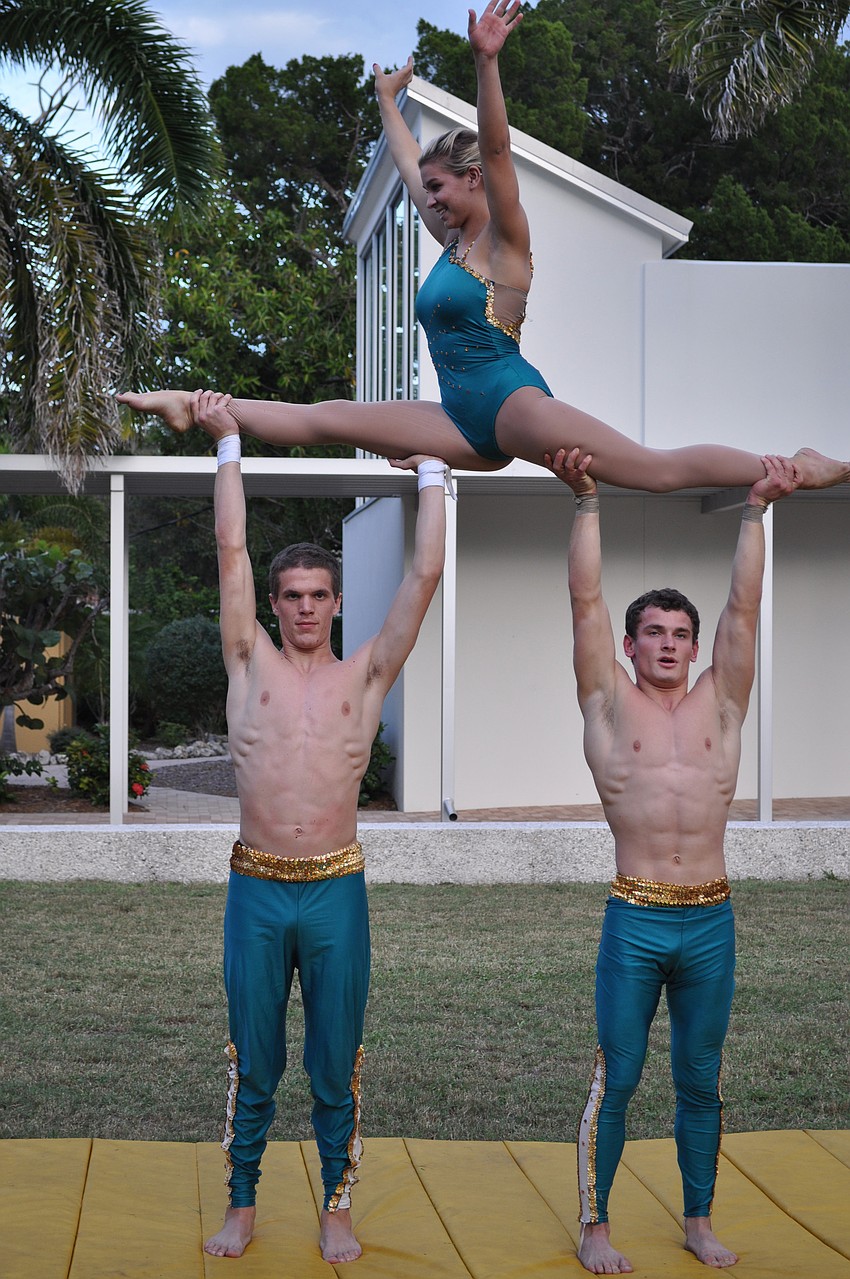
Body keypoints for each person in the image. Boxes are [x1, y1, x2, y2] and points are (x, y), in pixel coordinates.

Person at [117, 1, 849, 494]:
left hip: (508, 401)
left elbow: (497, 150)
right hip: (458, 418)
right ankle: (195, 404)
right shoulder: (449, 238)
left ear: (472, 181)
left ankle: (795, 465)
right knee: (324, 416)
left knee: (652, 471)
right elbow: (410, 167)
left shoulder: (506, 240)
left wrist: (486, 63)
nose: (429, 199)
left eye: (441, 188)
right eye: (428, 192)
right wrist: (387, 102)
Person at [195, 390, 448, 1264]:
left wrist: (430, 469)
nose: (305, 608)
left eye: (318, 595)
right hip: (258, 888)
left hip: (336, 887)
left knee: (337, 1062)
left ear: (337, 603)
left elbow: (423, 577)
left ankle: (338, 1204)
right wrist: (229, 444)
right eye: (292, 595)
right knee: (253, 1058)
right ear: (273, 604)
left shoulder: (366, 678)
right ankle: (243, 1203)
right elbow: (230, 548)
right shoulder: (247, 662)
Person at [549, 444, 798, 1273]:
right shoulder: (607, 702)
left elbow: (745, 608)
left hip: (711, 919)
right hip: (635, 917)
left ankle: (698, 1218)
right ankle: (595, 1224)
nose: (668, 643)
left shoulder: (721, 705)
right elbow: (584, 599)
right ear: (629, 644)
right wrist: (587, 501)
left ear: (695, 648)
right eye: (652, 632)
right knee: (616, 1078)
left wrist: (755, 508)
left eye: (680, 634)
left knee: (701, 1078)